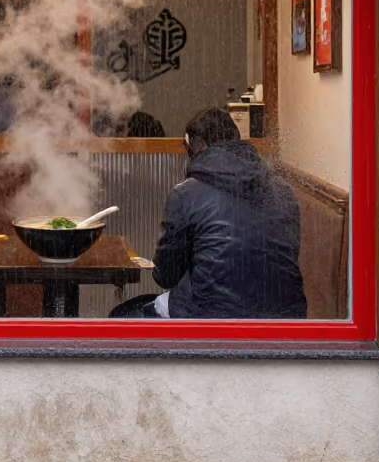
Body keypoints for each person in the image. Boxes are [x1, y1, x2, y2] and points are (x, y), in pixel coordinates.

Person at [111, 107, 307, 319]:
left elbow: (165, 276)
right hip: (285, 320)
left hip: (211, 321)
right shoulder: (283, 191)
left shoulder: (186, 193)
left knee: (121, 316)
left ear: (199, 145)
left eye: (188, 150)